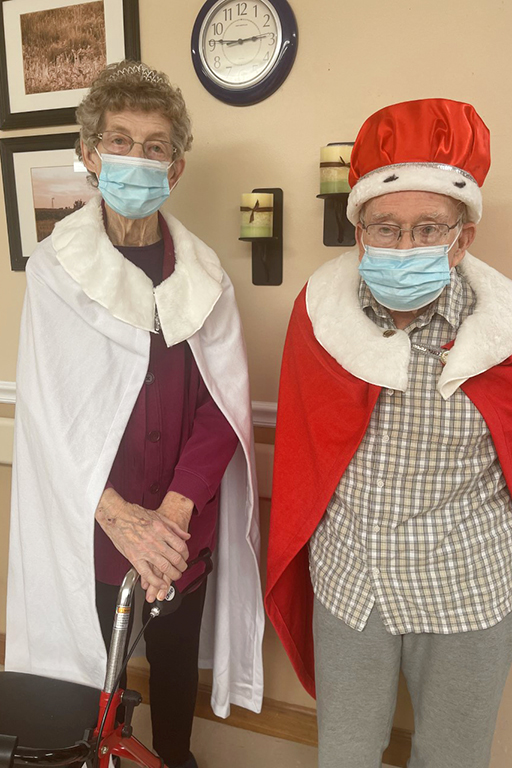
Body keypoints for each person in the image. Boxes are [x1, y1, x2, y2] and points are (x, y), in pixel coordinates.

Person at [6, 61, 264, 768]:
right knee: (91, 703)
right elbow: (52, 416)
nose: (136, 158)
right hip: (93, 536)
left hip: (183, 543)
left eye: (154, 147)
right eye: (118, 141)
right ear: (89, 155)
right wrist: (123, 520)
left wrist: (172, 520)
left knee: (176, 713)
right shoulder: (57, 272)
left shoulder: (205, 274)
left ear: (175, 168)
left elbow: (222, 407)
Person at [266, 98, 512, 768]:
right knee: (344, 755)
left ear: (464, 237)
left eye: (430, 227)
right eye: (387, 227)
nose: (406, 245)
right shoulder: (319, 318)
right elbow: (302, 457)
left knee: (454, 759)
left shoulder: (503, 334)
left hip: (466, 582)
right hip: (354, 581)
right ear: (360, 233)